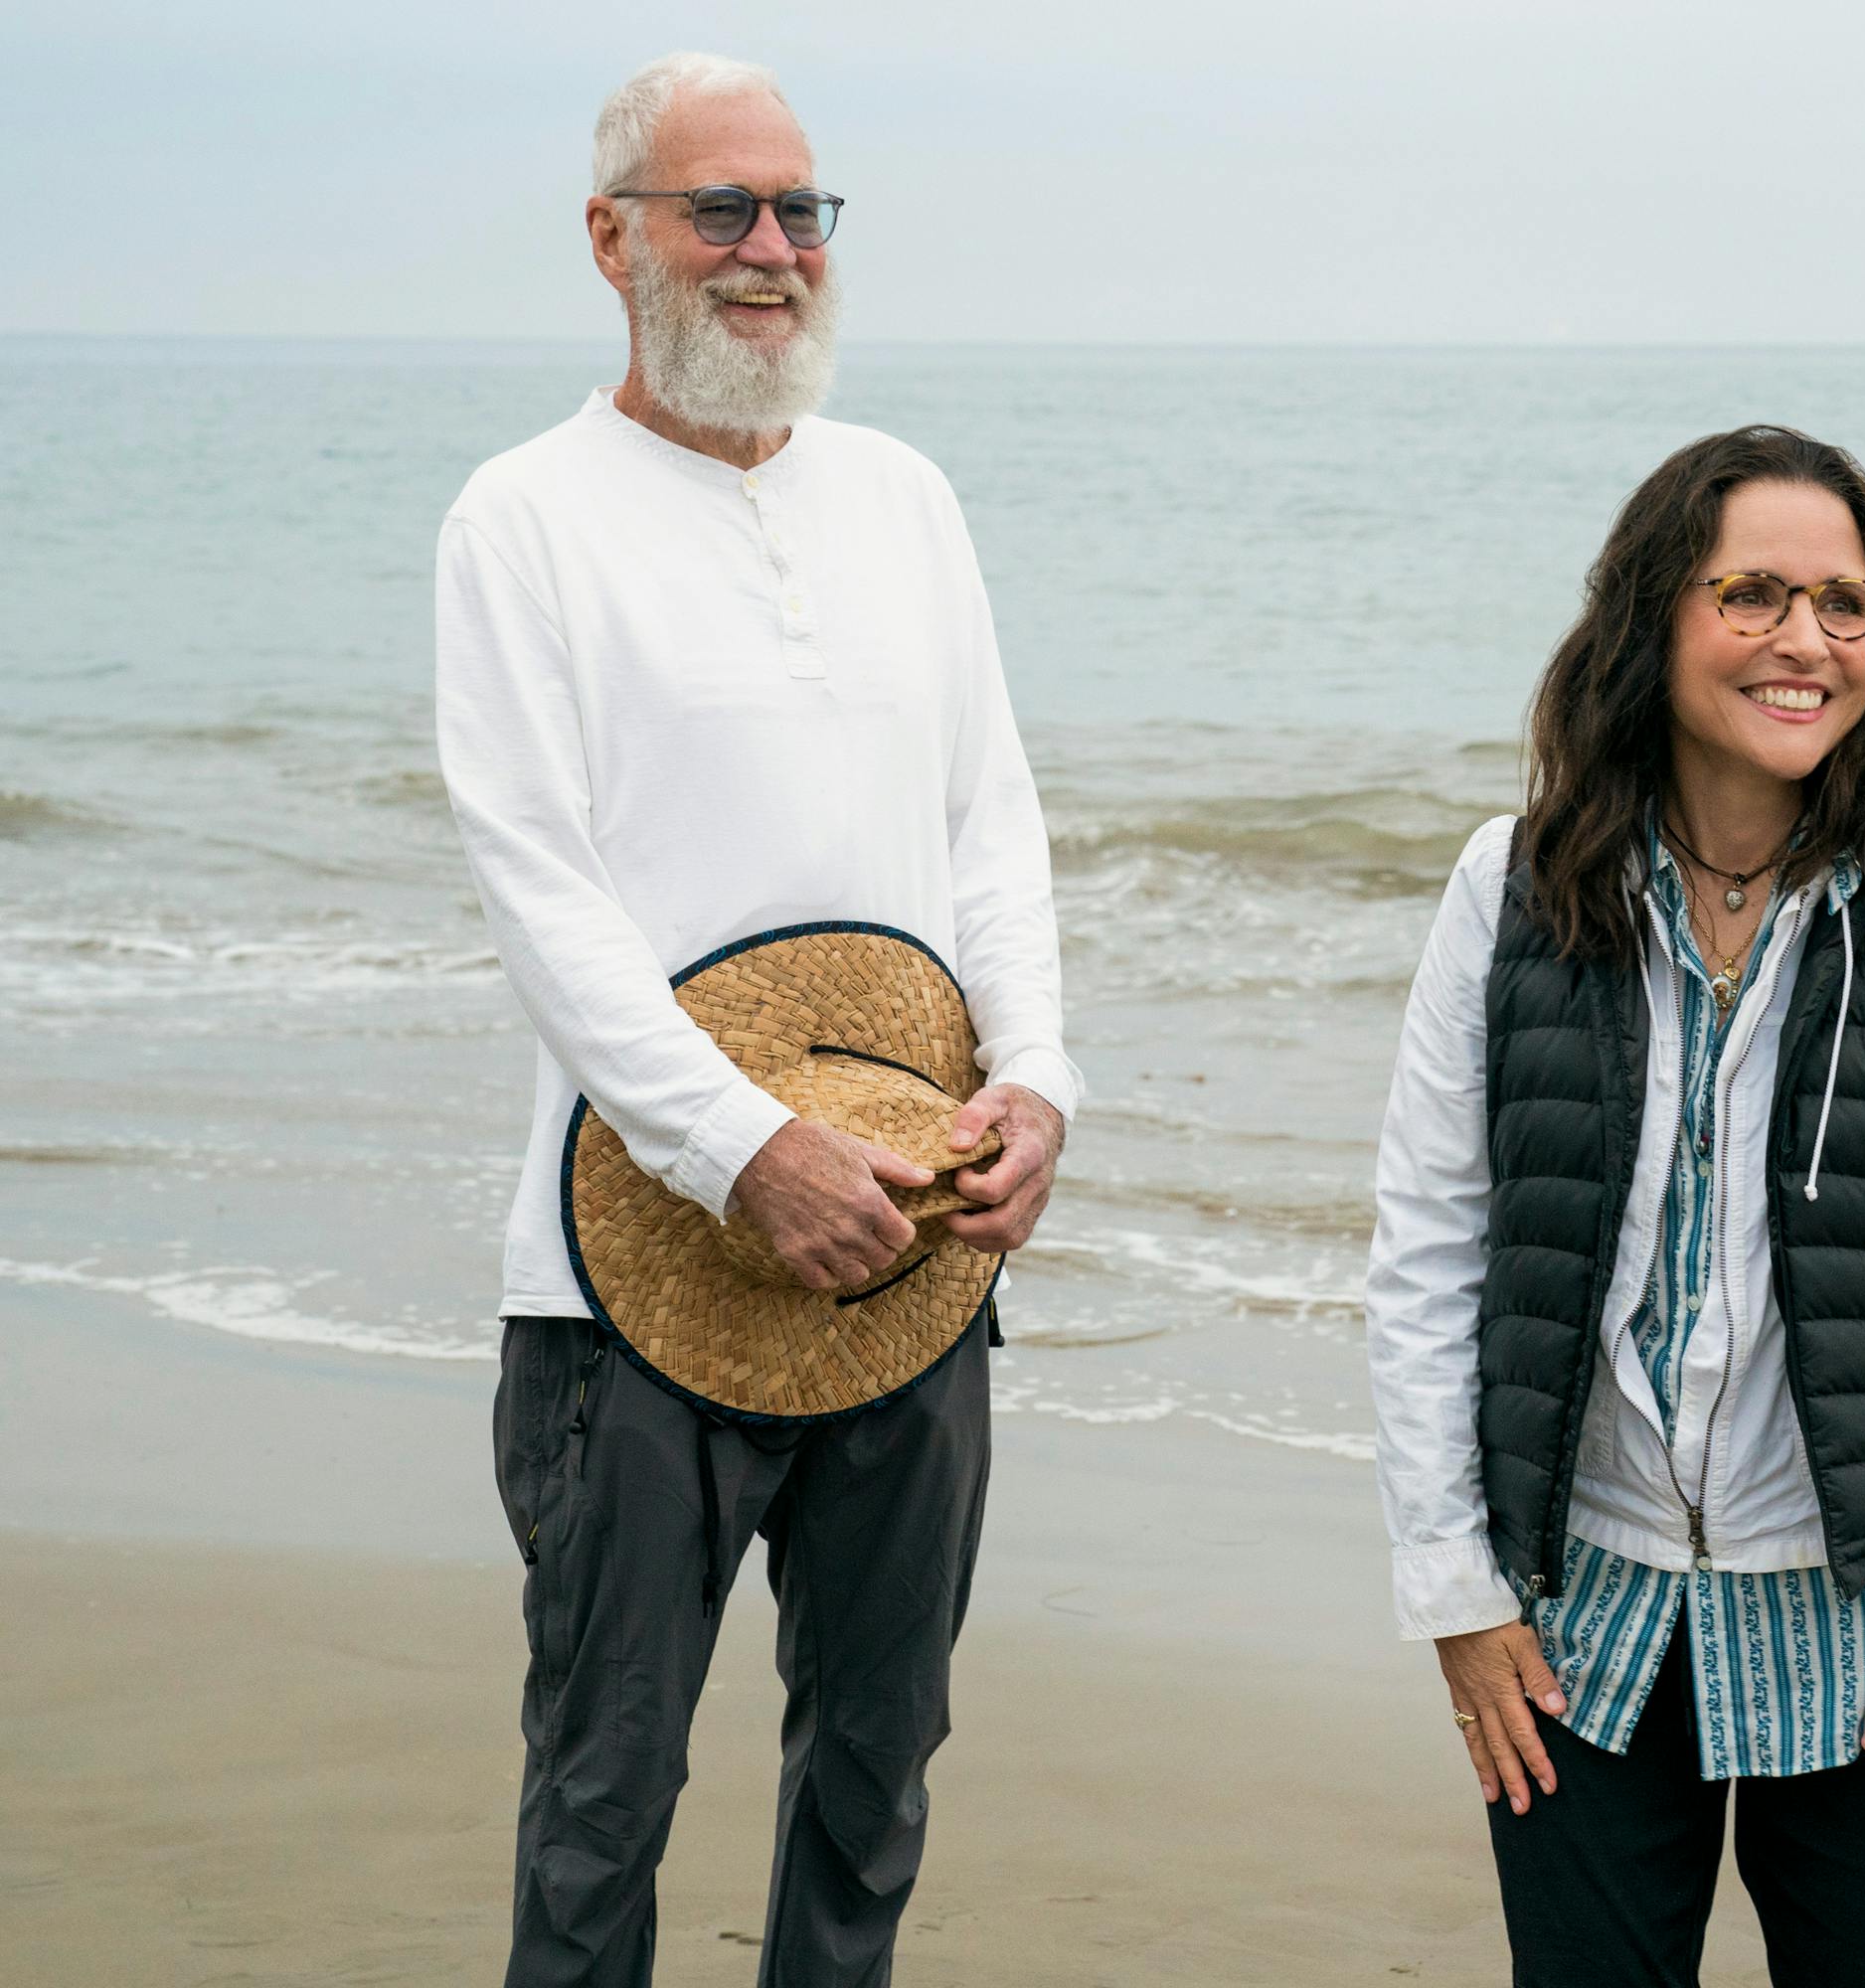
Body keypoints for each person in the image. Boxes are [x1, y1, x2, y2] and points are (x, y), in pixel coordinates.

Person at [432, 52, 1079, 1988]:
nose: (772, 249)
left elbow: (994, 823)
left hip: (915, 1266)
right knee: (602, 1799)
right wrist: (743, 1149)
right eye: (724, 209)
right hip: (622, 1289)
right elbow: (541, 890)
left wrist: (1038, 1081)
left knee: (876, 1780)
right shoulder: (524, 518)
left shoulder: (905, 498)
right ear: (611, 236)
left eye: (802, 210)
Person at [1365, 424, 1865, 1986]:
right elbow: (1428, 1256)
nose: (1805, 643)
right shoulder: (1514, 883)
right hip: (1580, 1631)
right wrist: (1457, 1591)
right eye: (1751, 592)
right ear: (1650, 618)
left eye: (1848, 602)